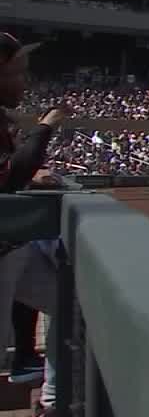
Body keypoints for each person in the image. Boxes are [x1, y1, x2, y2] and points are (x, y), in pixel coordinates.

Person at [0, 33, 67, 415]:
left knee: (75, 303)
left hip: (14, 249)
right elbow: (10, 177)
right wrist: (45, 127)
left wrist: (30, 175)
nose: (24, 82)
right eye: (17, 73)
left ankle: (52, 401)